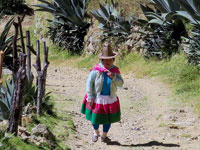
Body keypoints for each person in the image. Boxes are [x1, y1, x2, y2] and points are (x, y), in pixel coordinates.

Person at [81, 42, 124, 143]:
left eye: (110, 59)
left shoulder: (115, 71)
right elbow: (89, 83)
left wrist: (113, 77)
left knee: (108, 119)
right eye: (106, 59)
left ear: (113, 59)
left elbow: (121, 83)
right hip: (97, 98)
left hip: (110, 98)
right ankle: (96, 133)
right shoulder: (96, 70)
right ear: (102, 59)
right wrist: (90, 97)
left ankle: (104, 136)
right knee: (95, 118)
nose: (108, 61)